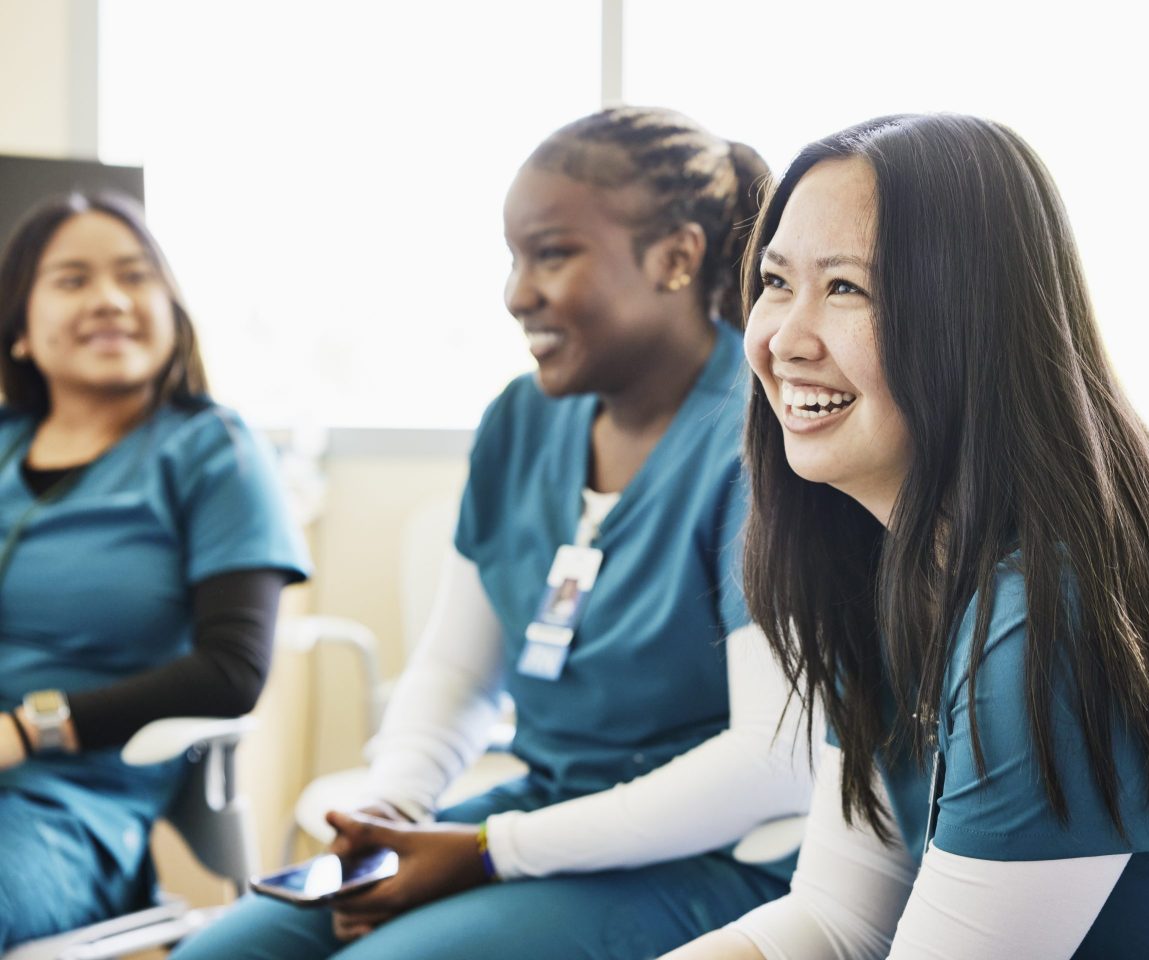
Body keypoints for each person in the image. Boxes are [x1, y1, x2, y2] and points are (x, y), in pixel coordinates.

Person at [666, 114, 1149, 960]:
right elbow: (839, 922)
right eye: (776, 282)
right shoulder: (889, 568)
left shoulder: (1059, 612)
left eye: (847, 288)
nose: (783, 338)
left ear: (975, 324)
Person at [174, 106, 812, 960]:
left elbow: (772, 762)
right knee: (221, 954)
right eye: (513, 258)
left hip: (717, 855)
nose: (517, 293)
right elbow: (457, 670)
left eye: (552, 255)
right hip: (544, 811)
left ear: (675, 257)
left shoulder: (762, 434)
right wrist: (395, 811)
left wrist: (488, 852)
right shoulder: (520, 420)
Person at [0, 191, 310, 949]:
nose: (110, 299)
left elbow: (232, 669)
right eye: (73, 279)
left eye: (135, 276)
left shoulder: (213, 451)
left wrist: (27, 730)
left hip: (67, 804)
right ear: (19, 331)